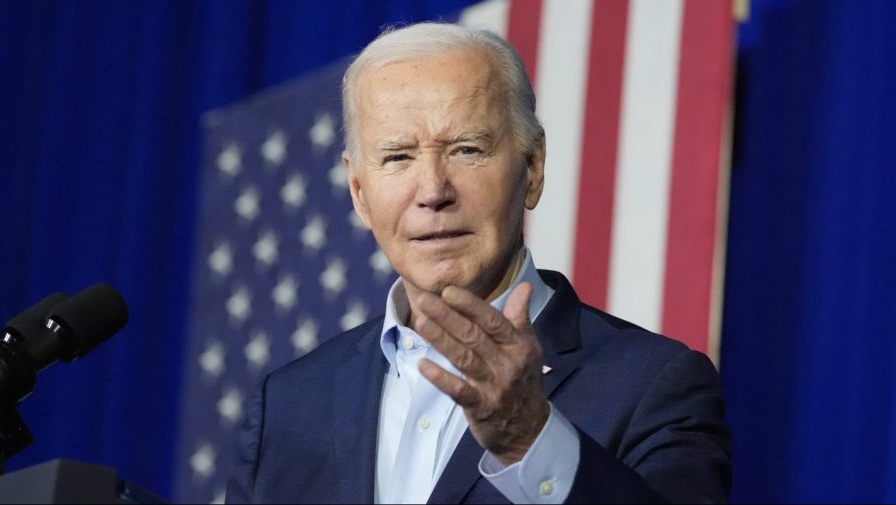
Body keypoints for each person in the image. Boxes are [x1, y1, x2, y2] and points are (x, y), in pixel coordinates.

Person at [226, 22, 731, 504]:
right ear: (359, 191)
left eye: (466, 149)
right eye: (398, 157)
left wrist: (532, 442)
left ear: (532, 170)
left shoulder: (652, 385)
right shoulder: (287, 405)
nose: (433, 192)